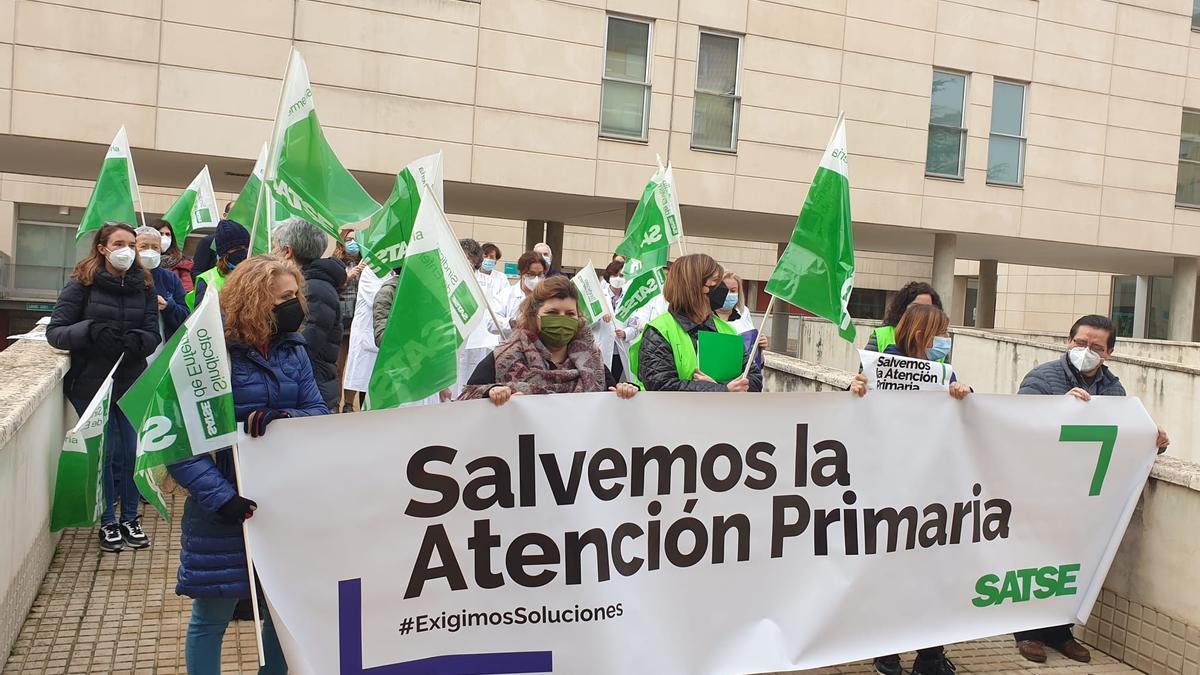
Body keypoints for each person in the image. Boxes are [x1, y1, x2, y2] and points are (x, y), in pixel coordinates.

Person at [168, 255, 328, 675]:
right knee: (211, 617)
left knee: (280, 615)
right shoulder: (208, 351)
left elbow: (318, 410)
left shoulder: (294, 349)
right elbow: (180, 441)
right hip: (224, 508)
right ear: (256, 299)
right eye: (284, 297)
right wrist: (223, 500)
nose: (295, 305)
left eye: (296, 295)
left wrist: (284, 421)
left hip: (283, 504)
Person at [1010, 314, 1169, 665]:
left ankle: (1060, 632)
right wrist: (1059, 406)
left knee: (1071, 562)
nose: (1086, 350)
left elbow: (1123, 435)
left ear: (1109, 352)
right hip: (1043, 488)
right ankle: (1027, 632)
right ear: (1069, 341)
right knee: (1034, 558)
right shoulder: (1042, 378)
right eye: (1081, 343)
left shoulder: (1114, 390)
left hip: (1083, 497)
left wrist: (1153, 440)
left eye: (1096, 347)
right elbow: (1019, 421)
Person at [849, 303, 969, 675]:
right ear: (921, 335)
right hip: (888, 487)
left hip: (931, 487)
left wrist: (965, 394)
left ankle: (930, 653)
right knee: (893, 572)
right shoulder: (878, 367)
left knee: (932, 572)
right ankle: (887, 651)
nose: (944, 342)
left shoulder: (944, 373)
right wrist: (852, 390)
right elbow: (852, 412)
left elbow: (970, 414)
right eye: (940, 334)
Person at [47, 222, 160, 552]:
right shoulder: (82, 285)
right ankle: (107, 521)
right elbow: (57, 332)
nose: (127, 250)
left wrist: (138, 341)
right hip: (90, 384)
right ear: (103, 248)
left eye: (132, 244)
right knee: (107, 453)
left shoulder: (145, 286)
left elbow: (152, 334)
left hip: (130, 381)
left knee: (130, 453)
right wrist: (92, 330)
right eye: (120, 243)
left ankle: (130, 518)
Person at [459, 275, 638, 403]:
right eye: (552, 313)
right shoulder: (505, 357)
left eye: (569, 314)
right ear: (534, 315)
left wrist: (625, 390)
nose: (562, 319)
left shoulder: (592, 361)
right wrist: (490, 393)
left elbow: (612, 399)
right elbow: (466, 398)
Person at [632, 253, 762, 392]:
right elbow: (661, 385)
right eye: (715, 282)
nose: (721, 288)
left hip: (720, 413)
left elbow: (754, 378)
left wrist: (721, 387)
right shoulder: (660, 330)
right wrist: (720, 389)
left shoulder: (726, 330)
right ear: (693, 287)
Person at [273, 217, 347, 411]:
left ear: (287, 251)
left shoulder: (314, 289)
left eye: (274, 248)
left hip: (313, 393)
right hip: (306, 387)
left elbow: (305, 345)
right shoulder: (309, 284)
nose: (272, 254)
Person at [372, 265, 451, 405]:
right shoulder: (388, 292)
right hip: (399, 373)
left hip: (427, 374)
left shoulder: (427, 293)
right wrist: (407, 319)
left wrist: (443, 381)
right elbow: (381, 337)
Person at [342, 263, 386, 413]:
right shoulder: (371, 271)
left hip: (380, 331)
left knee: (373, 379)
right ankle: (349, 406)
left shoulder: (393, 273)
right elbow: (377, 299)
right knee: (361, 377)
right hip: (366, 330)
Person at [134, 225, 189, 340]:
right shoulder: (123, 275)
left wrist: (168, 306)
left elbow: (186, 317)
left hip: (164, 347)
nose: (150, 251)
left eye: (155, 247)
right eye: (143, 247)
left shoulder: (170, 278)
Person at [334, 227, 365, 412]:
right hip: (340, 322)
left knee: (356, 365)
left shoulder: (366, 264)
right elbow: (331, 287)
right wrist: (349, 276)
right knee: (338, 366)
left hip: (359, 323)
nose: (353, 243)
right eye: (349, 239)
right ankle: (335, 404)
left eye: (356, 239)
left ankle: (348, 404)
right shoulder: (335, 264)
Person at [865, 281, 943, 354]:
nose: (921, 313)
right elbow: (866, 366)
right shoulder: (882, 335)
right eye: (916, 307)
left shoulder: (939, 342)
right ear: (903, 308)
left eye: (927, 308)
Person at [188, 220, 249, 310]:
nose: (243, 252)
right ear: (224, 254)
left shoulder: (254, 275)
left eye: (246, 247)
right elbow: (203, 318)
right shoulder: (207, 280)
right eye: (237, 248)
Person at [715, 272, 768, 352]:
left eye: (733, 291)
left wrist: (760, 343)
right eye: (724, 290)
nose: (728, 294)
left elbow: (751, 347)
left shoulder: (744, 313)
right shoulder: (704, 317)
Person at [497, 251, 547, 331]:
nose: (536, 279)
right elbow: (491, 322)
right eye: (531, 274)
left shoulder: (548, 296)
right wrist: (513, 322)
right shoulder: (506, 295)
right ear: (521, 273)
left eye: (540, 274)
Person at [156, 219, 194, 292]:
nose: (164, 237)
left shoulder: (181, 262)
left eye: (167, 234)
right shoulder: (143, 259)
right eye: (160, 234)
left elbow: (187, 290)